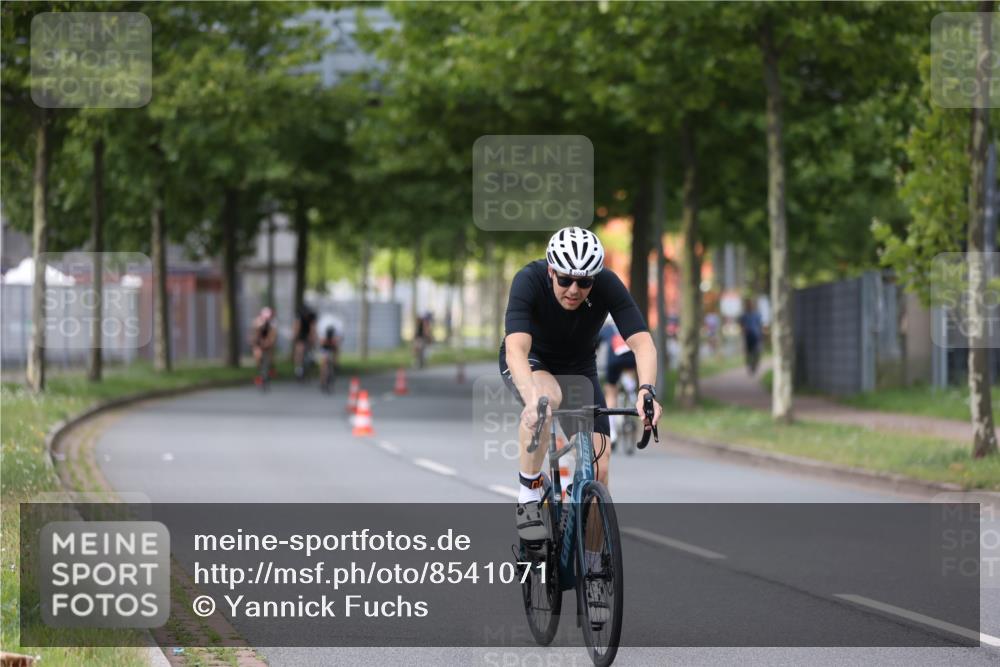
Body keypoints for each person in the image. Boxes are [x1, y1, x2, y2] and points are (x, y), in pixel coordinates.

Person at [499, 227, 663, 543]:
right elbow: (515, 348)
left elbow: (642, 343)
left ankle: (593, 569)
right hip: (533, 361)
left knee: (599, 470)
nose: (574, 289)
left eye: (584, 282)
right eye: (565, 280)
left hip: (579, 369)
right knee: (547, 400)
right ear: (551, 271)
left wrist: (646, 391)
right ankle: (528, 496)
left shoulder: (607, 283)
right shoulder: (528, 280)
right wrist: (532, 398)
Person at [599, 316, 638, 449]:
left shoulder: (607, 329)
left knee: (611, 391)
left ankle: (613, 432)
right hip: (631, 358)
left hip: (614, 360)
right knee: (629, 371)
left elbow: (596, 344)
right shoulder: (629, 323)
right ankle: (630, 390)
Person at [250, 307, 277, 383]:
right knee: (257, 355)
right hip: (259, 341)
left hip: (268, 340)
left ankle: (270, 368)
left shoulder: (272, 324)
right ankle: (260, 371)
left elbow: (272, 336)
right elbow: (255, 335)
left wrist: (268, 342)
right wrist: (254, 342)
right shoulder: (257, 322)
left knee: (270, 355)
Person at [738, 298, 763, 375]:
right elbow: (741, 325)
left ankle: (754, 365)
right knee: (749, 353)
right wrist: (743, 331)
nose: (750, 306)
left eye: (751, 304)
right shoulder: (744, 315)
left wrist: (762, 335)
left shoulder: (757, 314)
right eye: (748, 304)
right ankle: (749, 366)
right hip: (748, 336)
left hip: (756, 336)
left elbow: (760, 325)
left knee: (756, 352)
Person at [292, 304, 317, 379]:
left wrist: (312, 337)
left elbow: (313, 328)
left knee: (312, 342)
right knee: (299, 350)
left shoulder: (312, 317)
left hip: (308, 332)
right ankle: (298, 368)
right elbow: (296, 327)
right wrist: (295, 336)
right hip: (301, 333)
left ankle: (311, 355)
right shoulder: (299, 318)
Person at [319, 325, 341, 392]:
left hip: (331, 350)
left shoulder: (335, 340)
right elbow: (322, 350)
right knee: (324, 364)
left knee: (332, 360)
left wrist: (336, 362)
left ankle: (331, 375)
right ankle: (323, 381)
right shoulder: (324, 340)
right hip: (325, 350)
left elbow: (336, 351)